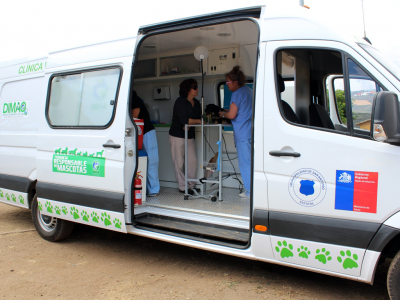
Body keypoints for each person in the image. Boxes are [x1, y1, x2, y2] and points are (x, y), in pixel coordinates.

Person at [219, 66, 252, 198]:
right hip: (250, 132)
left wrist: (222, 114)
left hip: (242, 134)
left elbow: (232, 115)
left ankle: (249, 191)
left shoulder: (236, 94)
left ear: (235, 82)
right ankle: (253, 189)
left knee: (245, 163)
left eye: (228, 82)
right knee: (251, 162)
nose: (227, 85)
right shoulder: (249, 91)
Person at [169, 79, 202, 195]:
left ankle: (191, 186)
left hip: (189, 135)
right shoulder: (180, 102)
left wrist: (191, 122)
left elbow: (198, 119)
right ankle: (183, 187)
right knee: (179, 162)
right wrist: (193, 122)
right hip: (177, 135)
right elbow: (184, 121)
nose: (197, 89)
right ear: (188, 89)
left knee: (192, 162)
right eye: (195, 87)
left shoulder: (197, 103)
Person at [131, 90, 160, 197]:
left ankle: (153, 189)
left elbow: (134, 118)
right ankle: (147, 188)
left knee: (151, 160)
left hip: (147, 132)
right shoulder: (133, 100)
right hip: (139, 133)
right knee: (143, 160)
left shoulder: (135, 100)